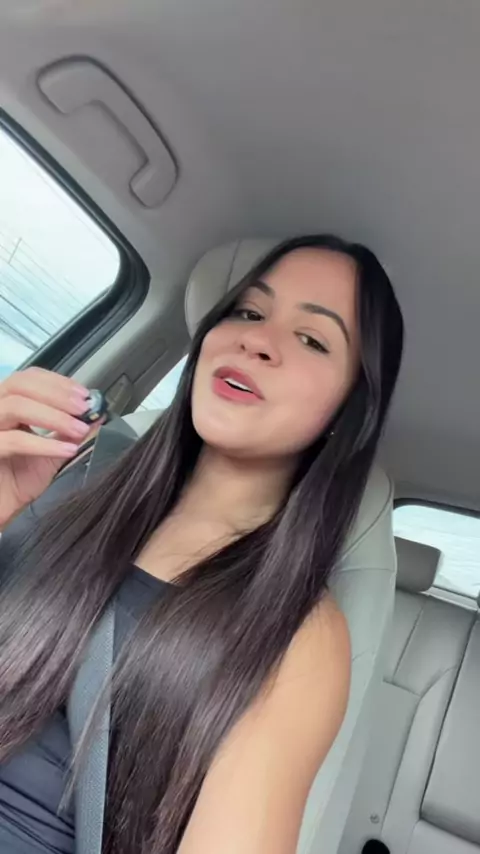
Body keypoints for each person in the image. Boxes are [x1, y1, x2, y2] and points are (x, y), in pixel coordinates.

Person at [0, 235, 403, 854]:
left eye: (312, 340)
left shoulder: (299, 638)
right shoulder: (69, 474)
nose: (257, 340)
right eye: (248, 311)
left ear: (347, 411)